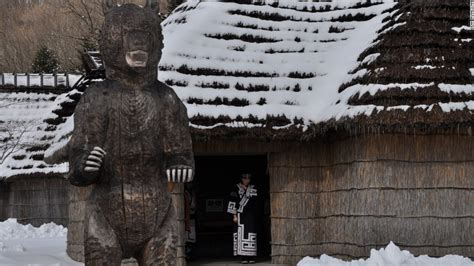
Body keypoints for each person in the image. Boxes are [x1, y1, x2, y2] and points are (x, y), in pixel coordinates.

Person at [227, 173, 258, 264]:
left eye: (248, 178)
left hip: (251, 216)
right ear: (241, 179)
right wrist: (234, 215)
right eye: (245, 178)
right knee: (241, 235)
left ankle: (251, 256)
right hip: (240, 215)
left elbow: (256, 203)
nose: (247, 180)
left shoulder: (253, 188)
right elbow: (232, 201)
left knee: (251, 234)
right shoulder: (236, 188)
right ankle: (243, 257)